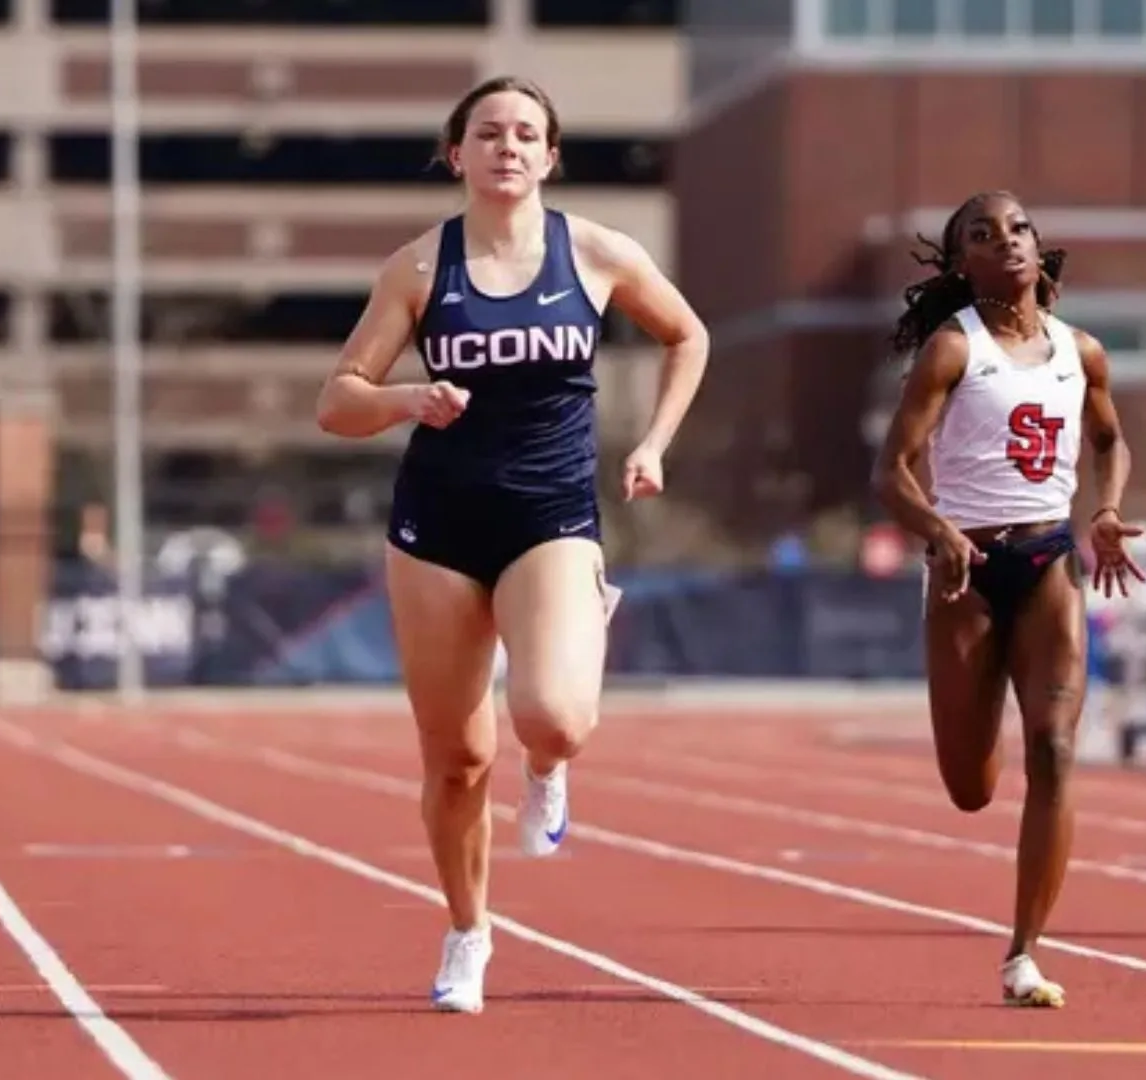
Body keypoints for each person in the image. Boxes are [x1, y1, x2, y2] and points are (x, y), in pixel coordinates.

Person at [313, 75, 708, 1014]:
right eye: (488, 133)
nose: (508, 147)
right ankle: (467, 933)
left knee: (556, 719)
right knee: (454, 761)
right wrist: (411, 398)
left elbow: (687, 335)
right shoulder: (418, 268)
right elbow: (336, 400)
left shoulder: (599, 254)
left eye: (527, 133)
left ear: (550, 155)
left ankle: (552, 764)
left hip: (552, 517)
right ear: (458, 155)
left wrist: (653, 443)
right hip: (437, 530)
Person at [871, 190, 1145, 1007]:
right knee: (970, 786)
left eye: (1018, 228)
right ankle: (976, 760)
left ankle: (1024, 952)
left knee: (1056, 751)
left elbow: (1108, 437)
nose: (1008, 243)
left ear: (1037, 243)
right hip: (966, 571)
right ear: (963, 264)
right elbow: (890, 472)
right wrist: (939, 530)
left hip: (1050, 561)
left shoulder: (1080, 350)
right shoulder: (953, 352)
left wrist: (1102, 510)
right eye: (984, 236)